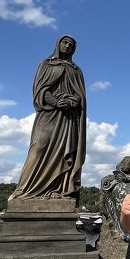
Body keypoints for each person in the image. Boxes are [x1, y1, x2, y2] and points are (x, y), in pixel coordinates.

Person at [11, 35, 86, 202]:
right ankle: (24, 190)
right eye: (64, 42)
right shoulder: (46, 64)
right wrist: (56, 102)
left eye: (71, 45)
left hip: (68, 119)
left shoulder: (76, 70)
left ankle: (57, 190)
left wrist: (72, 101)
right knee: (39, 147)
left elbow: (80, 95)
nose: (67, 46)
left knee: (63, 153)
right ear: (58, 44)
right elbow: (40, 89)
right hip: (49, 114)